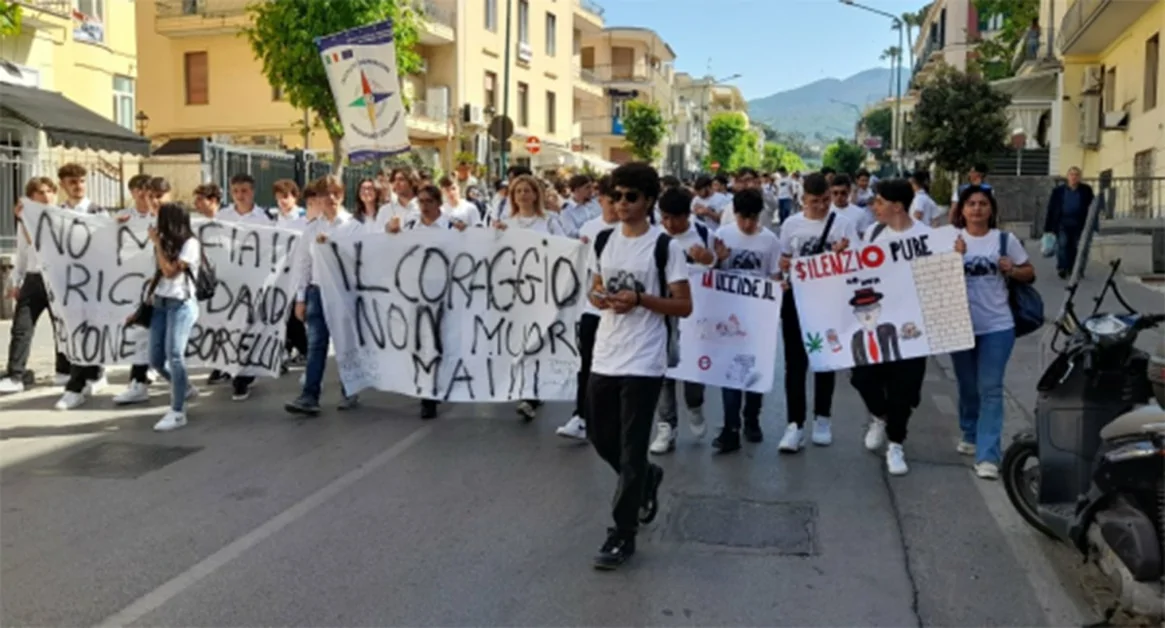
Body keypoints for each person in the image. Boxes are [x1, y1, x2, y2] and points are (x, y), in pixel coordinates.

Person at [587, 162, 692, 569]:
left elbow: (684, 304)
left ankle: (622, 533)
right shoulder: (603, 241)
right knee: (600, 435)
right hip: (606, 353)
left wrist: (641, 300)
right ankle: (647, 477)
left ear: (648, 200)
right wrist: (600, 298)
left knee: (631, 449)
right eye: (616, 197)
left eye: (631, 197)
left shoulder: (666, 247)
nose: (622, 204)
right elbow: (597, 286)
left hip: (645, 359)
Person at [951, 185, 1035, 479]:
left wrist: (1011, 269)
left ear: (991, 209)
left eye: (982, 204)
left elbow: (1029, 272)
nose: (977, 209)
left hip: (998, 325)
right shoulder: (951, 240)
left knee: (991, 387)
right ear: (961, 210)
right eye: (971, 204)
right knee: (967, 384)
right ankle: (970, 430)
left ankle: (988, 455)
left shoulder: (1004, 240)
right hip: (959, 326)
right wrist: (951, 258)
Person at [852, 178, 931, 476]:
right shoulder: (873, 233)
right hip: (878, 321)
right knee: (862, 376)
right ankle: (879, 415)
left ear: (897, 206)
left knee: (904, 386)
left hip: (913, 326)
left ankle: (896, 443)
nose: (874, 207)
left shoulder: (927, 237)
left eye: (880, 202)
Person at [777, 173, 859, 452]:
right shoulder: (791, 225)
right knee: (795, 363)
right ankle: (794, 424)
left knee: (825, 359)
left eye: (826, 200)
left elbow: (858, 265)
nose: (823, 206)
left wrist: (842, 256)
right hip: (797, 300)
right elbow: (784, 258)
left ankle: (822, 418)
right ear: (804, 200)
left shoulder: (843, 225)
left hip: (830, 301)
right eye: (816, 202)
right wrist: (785, 268)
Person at [711, 187, 782, 452]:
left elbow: (774, 277)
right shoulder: (723, 236)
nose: (749, 224)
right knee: (730, 373)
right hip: (730, 314)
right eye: (744, 218)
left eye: (754, 218)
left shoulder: (770, 241)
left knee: (754, 370)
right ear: (735, 214)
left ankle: (752, 417)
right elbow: (712, 274)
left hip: (759, 315)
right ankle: (731, 427)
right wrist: (718, 260)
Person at [285, 176, 361, 416]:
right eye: (324, 194)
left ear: (342, 195)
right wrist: (300, 297)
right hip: (317, 292)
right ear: (317, 199)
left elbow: (361, 261)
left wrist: (334, 246)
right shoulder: (312, 228)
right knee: (316, 345)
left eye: (334, 193)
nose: (330, 199)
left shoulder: (353, 227)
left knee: (345, 343)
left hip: (343, 291)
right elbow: (303, 264)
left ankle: (350, 389)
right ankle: (309, 395)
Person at [648, 186, 716, 454]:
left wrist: (709, 258)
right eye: (664, 217)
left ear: (687, 215)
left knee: (692, 369)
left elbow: (719, 271)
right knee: (664, 371)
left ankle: (695, 405)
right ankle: (666, 427)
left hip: (696, 316)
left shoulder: (703, 234)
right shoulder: (654, 237)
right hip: (662, 312)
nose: (669, 224)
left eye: (675, 218)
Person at [494, 174, 565, 420]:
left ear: (536, 194)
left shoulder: (550, 221)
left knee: (537, 341)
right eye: (518, 191)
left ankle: (531, 393)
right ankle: (527, 389)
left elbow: (564, 248)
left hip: (543, 289)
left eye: (527, 190)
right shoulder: (506, 223)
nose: (523, 195)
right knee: (519, 341)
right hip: (515, 291)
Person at [557, 175, 618, 441]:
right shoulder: (589, 229)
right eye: (611, 199)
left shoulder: (635, 229)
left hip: (625, 312)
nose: (617, 206)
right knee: (587, 363)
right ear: (600, 199)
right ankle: (581, 415)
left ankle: (611, 418)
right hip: (592, 308)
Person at [0, 177, 67, 394]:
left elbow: (47, 242)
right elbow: (22, 253)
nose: (46, 196)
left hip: (56, 278)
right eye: (40, 192)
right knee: (22, 327)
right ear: (31, 197)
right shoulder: (25, 221)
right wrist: (15, 281)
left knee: (61, 328)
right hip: (32, 277)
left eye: (50, 191)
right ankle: (15, 374)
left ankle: (64, 370)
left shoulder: (62, 217)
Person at [54, 163, 108, 411]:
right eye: (73, 182)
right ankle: (87, 376)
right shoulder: (56, 213)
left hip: (94, 282)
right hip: (69, 283)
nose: (78, 186)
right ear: (63, 185)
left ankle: (78, 384)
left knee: (90, 331)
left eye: (82, 181)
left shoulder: (99, 212)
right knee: (76, 332)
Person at [215, 173, 274, 401]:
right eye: (236, 191)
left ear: (253, 192)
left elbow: (272, 250)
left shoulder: (264, 218)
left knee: (250, 328)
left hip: (253, 282)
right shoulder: (223, 216)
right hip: (228, 282)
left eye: (245, 191)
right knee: (231, 328)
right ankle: (235, 370)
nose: (240, 195)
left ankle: (243, 376)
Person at [147, 202, 203, 431]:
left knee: (175, 355)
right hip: (160, 303)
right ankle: (185, 387)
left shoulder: (190, 244)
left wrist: (158, 244)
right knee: (156, 360)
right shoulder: (165, 244)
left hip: (180, 304)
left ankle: (178, 410)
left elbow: (170, 272)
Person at [112, 175, 166, 405]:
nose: (148, 198)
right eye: (142, 192)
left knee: (171, 341)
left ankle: (181, 384)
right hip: (141, 288)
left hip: (168, 286)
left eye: (153, 194)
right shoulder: (123, 219)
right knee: (142, 334)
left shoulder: (169, 219)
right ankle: (138, 381)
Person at [1043, 166, 1096, 279]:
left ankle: (1074, 269)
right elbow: (1051, 209)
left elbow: (1093, 207)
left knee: (1077, 246)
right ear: (1067, 177)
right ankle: (1062, 268)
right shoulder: (1058, 191)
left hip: (1080, 224)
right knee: (1063, 245)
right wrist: (1048, 228)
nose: (1074, 177)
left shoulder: (1086, 190)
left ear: (1080, 177)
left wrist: (1093, 225)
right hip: (1062, 223)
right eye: (1071, 174)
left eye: (1076, 175)